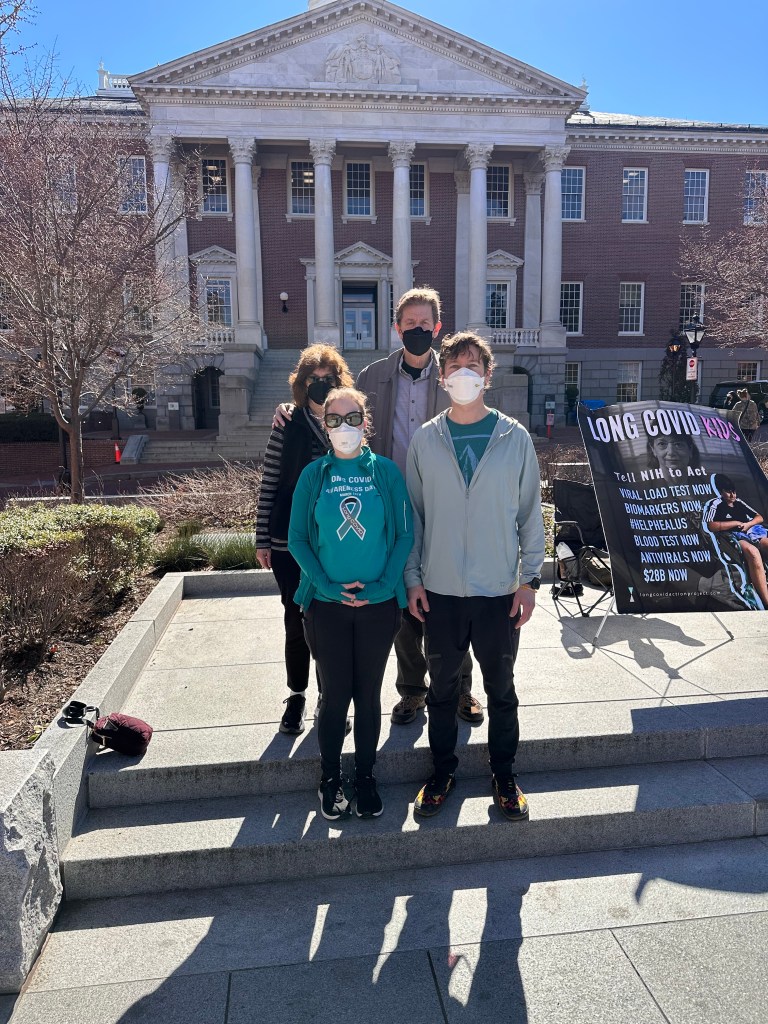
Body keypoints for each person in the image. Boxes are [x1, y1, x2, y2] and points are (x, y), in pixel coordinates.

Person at [274, 286, 483, 728]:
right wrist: (289, 408)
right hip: (387, 503)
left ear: (437, 327)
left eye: (426, 325)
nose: (418, 331)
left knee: (448, 597)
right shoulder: (371, 376)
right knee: (401, 601)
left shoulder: (451, 380)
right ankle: (412, 691)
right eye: (410, 325)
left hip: (440, 503)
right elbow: (329, 404)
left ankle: (461, 687)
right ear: (397, 328)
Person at [404, 331, 545, 821]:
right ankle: (441, 771)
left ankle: (504, 775)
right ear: (442, 378)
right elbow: (413, 518)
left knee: (501, 689)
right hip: (441, 590)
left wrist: (529, 580)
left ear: (487, 376)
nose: (464, 374)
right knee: (442, 690)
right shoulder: (425, 439)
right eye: (455, 367)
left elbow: (530, 515)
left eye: (473, 367)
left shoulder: (515, 437)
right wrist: (413, 578)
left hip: (498, 591)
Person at [288, 387, 412, 819]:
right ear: (325, 426)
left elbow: (403, 536)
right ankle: (329, 778)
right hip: (326, 606)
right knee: (335, 694)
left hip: (379, 606)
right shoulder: (313, 476)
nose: (345, 427)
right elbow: (298, 539)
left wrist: (381, 587)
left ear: (366, 422)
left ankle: (366, 776)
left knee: (368, 695)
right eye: (335, 419)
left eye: (353, 417)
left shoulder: (387, 473)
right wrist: (322, 583)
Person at [256, 345, 354, 736]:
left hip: (337, 540)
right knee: (295, 621)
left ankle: (331, 698)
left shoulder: (349, 419)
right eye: (312, 380)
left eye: (327, 378)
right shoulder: (287, 422)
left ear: (339, 380)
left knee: (332, 623)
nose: (320, 385)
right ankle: (296, 695)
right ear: (301, 384)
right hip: (288, 542)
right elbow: (270, 481)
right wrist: (262, 536)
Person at [703, 474, 768, 609]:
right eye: (728, 491)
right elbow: (711, 525)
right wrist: (735, 523)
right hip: (732, 536)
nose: (732, 495)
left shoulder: (739, 502)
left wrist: (748, 524)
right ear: (720, 492)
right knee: (753, 552)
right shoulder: (715, 504)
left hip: (750, 531)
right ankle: (766, 601)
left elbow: (759, 517)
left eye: (733, 491)